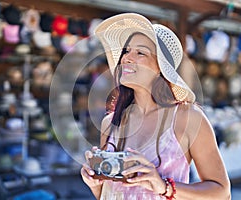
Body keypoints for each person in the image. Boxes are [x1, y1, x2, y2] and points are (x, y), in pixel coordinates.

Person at [81, 13, 231, 200]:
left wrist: (164, 187)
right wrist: (95, 184)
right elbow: (109, 194)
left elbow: (222, 192)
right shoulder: (110, 123)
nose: (126, 58)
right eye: (126, 51)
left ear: (161, 67)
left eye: (140, 52)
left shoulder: (187, 118)